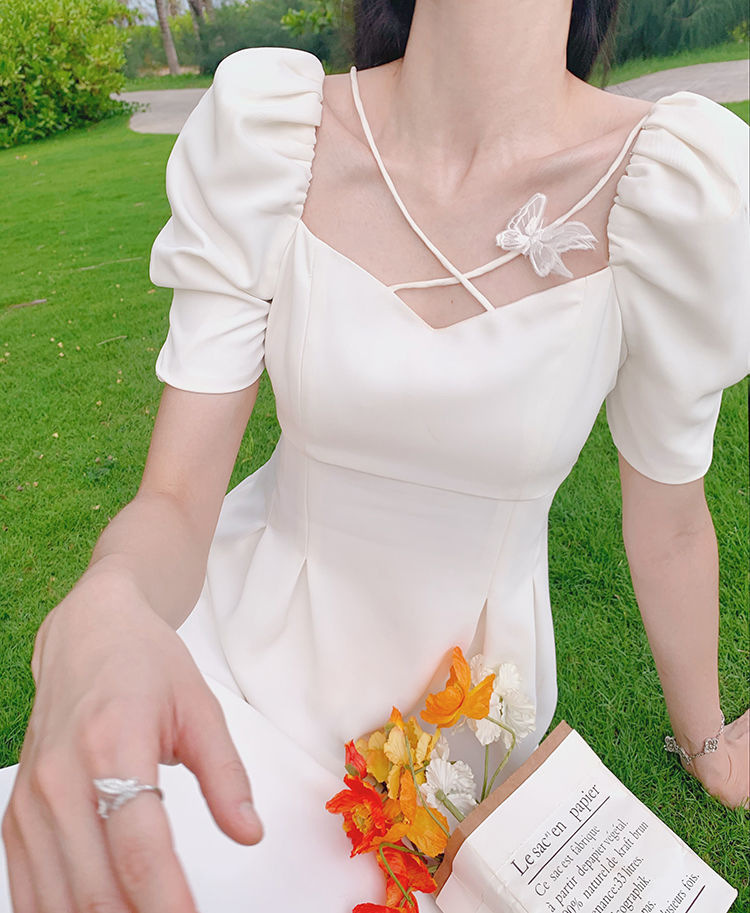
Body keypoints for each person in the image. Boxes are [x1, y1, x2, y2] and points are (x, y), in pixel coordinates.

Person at [2, 0, 749, 908]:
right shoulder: (271, 134)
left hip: (457, 737)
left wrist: (709, 743)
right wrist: (112, 598)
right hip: (236, 658)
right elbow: (177, 497)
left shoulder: (671, 190)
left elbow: (670, 522)